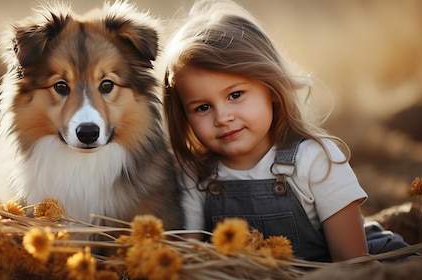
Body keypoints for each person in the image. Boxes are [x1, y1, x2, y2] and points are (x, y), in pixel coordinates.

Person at [161, 0, 408, 262]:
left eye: (235, 94)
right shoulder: (196, 175)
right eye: (202, 107)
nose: (222, 117)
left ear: (272, 89)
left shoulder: (316, 161)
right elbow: (190, 260)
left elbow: (351, 264)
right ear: (183, 117)